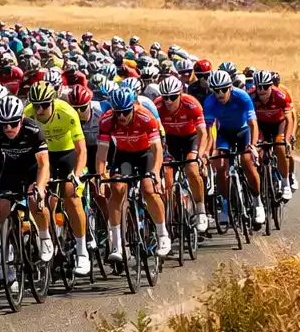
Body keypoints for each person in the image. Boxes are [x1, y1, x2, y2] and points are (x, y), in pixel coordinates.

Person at [0, 96, 54, 271]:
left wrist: (40, 187)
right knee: (2, 204)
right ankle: (7, 243)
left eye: (13, 123)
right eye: (4, 124)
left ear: (21, 118)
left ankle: (44, 236)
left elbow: (44, 164)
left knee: (34, 200)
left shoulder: (33, 130)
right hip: (11, 169)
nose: (8, 128)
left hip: (34, 169)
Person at [95, 88, 170, 262]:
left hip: (145, 154)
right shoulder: (106, 120)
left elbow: (157, 149)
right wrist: (101, 176)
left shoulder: (145, 117)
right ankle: (117, 244)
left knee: (148, 189)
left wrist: (155, 172)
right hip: (124, 156)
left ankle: (162, 234)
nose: (121, 116)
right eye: (118, 112)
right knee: (117, 188)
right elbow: (101, 153)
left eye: (125, 112)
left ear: (133, 108)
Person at [26, 81, 90, 276]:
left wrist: (77, 175)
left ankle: (82, 251)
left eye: (44, 105)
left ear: (52, 102)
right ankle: (47, 238)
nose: (40, 110)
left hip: (67, 154)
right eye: (36, 105)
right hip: (45, 157)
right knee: (39, 197)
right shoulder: (27, 114)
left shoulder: (67, 112)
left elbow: (81, 150)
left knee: (71, 195)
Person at [203, 68, 264, 226]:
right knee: (220, 166)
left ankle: (258, 203)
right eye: (216, 90)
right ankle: (225, 205)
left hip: (243, 132)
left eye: (223, 89)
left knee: (246, 161)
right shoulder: (209, 102)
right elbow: (210, 130)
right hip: (224, 134)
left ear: (230, 87)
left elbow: (253, 123)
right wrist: (208, 151)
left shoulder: (242, 96)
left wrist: (253, 145)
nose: (220, 94)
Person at [156, 76, 211, 233]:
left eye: (173, 97)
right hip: (171, 141)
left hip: (191, 139)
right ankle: (172, 212)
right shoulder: (157, 105)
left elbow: (202, 133)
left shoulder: (191, 104)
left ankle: (200, 210)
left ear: (180, 94)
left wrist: (200, 155)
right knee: (167, 175)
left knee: (192, 168)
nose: (168, 101)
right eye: (165, 97)